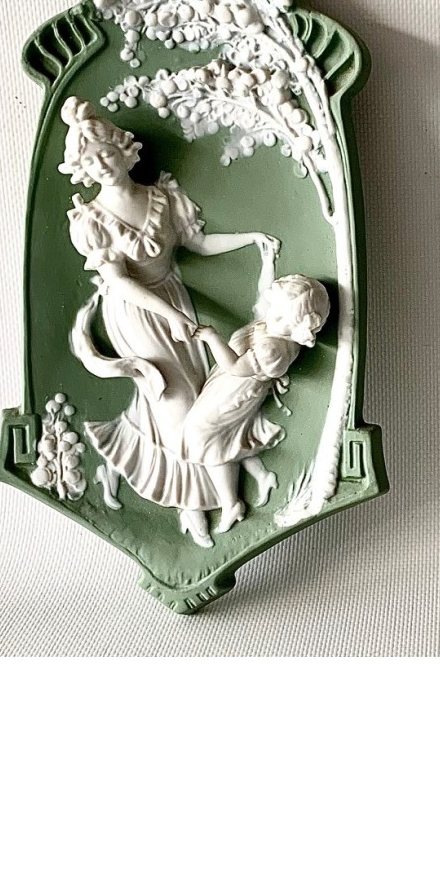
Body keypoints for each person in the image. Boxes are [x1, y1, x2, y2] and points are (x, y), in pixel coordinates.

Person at [60, 97, 278, 547]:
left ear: (123, 150)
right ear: (82, 169)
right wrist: (171, 315)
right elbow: (120, 284)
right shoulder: (91, 221)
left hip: (175, 302)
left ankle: (202, 499)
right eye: (90, 160)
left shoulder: (161, 198)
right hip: (137, 314)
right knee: (176, 403)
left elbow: (198, 244)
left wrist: (251, 239)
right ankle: (201, 503)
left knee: (200, 398)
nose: (101, 165)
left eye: (106, 153)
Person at [183, 275, 331, 529]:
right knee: (217, 439)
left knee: (202, 435)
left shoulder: (272, 349)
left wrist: (212, 337)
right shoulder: (272, 329)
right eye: (275, 308)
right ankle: (254, 482)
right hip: (225, 387)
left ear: (299, 327)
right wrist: (268, 260)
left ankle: (231, 503)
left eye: (282, 317)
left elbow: (234, 366)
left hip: (234, 393)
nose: (273, 316)